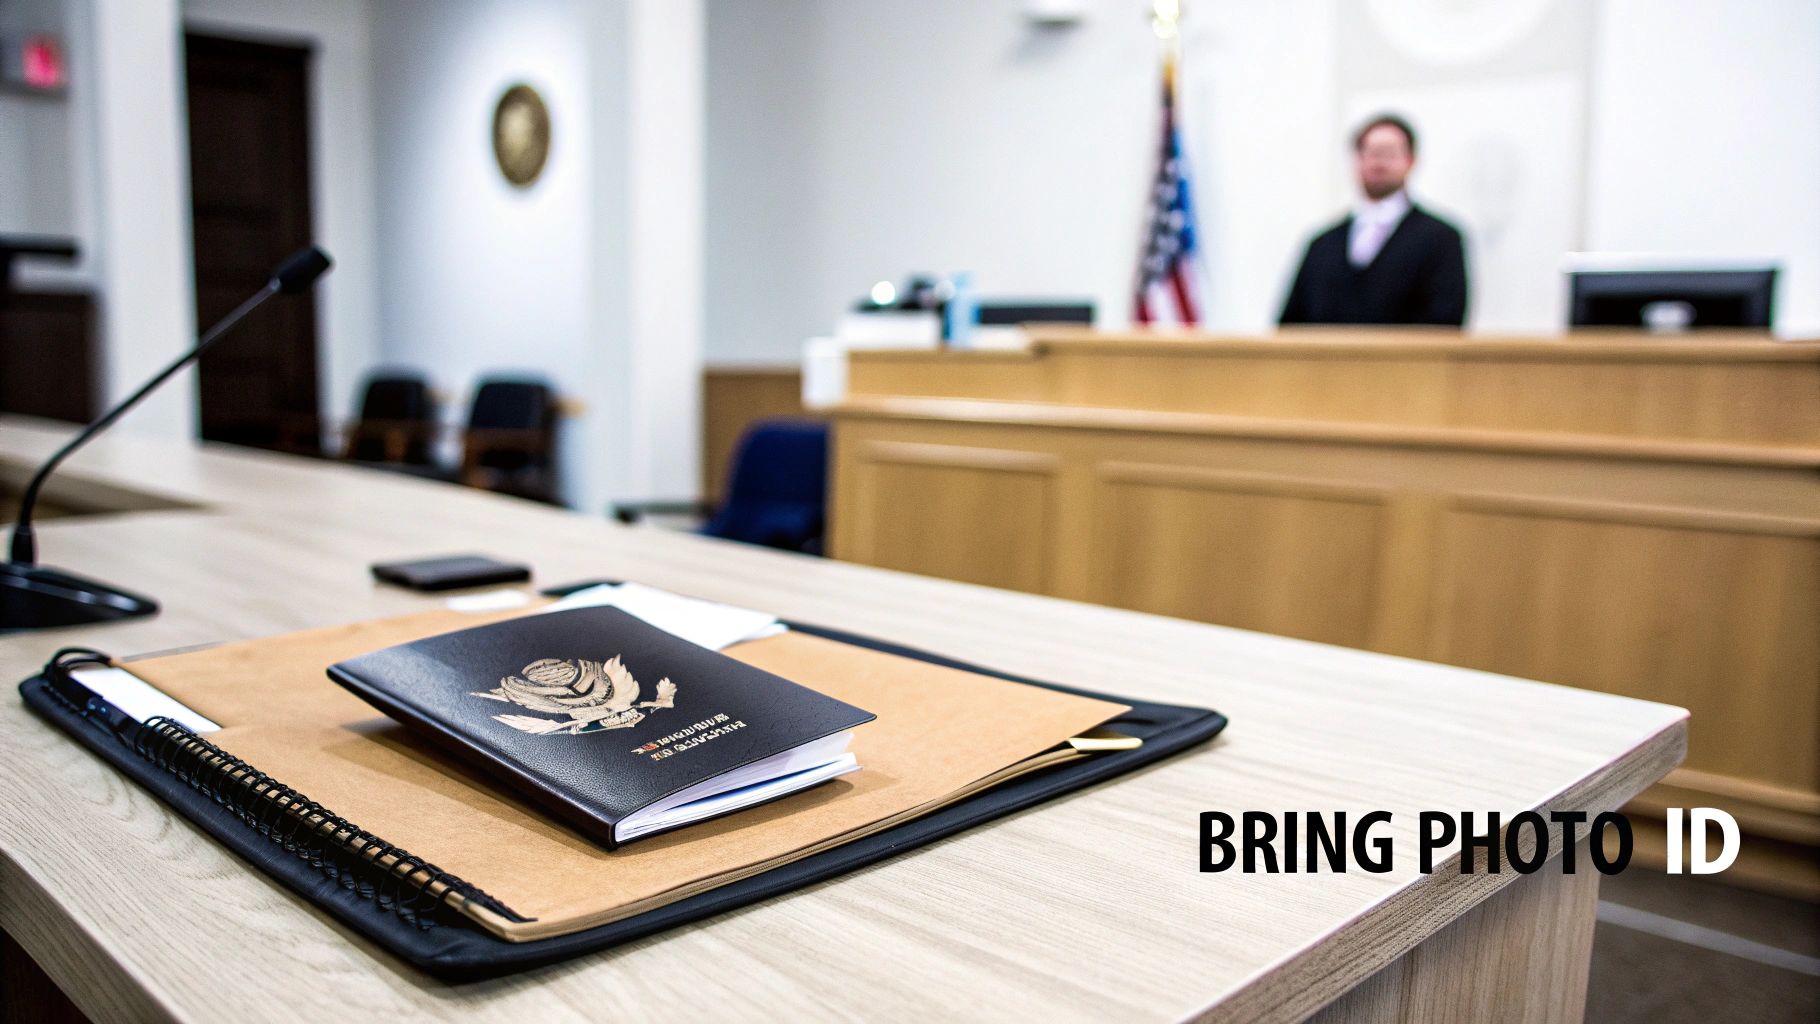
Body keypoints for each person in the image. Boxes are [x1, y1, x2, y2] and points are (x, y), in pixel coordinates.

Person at [1279, 114, 1468, 326]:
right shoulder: (1322, 244)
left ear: (1410, 161)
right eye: (1370, 152)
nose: (1378, 162)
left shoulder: (1440, 238)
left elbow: (1446, 323)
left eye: (1389, 153)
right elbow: (1290, 324)